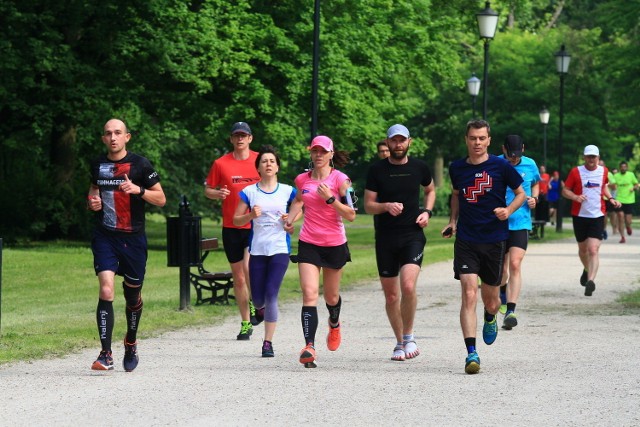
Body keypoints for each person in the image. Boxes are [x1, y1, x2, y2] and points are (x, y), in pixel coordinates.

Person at [443, 119, 525, 375]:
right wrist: (452, 221)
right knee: (468, 293)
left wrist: (508, 209)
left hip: (494, 239)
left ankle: (491, 317)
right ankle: (471, 353)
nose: (477, 143)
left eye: (481, 138)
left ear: (489, 140)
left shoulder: (501, 166)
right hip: (467, 239)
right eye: (472, 138)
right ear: (466, 139)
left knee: (490, 302)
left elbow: (521, 193)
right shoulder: (456, 167)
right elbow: (456, 195)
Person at [87, 118, 167, 371]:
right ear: (103, 138)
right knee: (107, 289)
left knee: (132, 296)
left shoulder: (140, 165)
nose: (113, 137)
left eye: (117, 133)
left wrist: (139, 190)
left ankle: (131, 341)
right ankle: (105, 354)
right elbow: (93, 191)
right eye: (108, 133)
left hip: (133, 239)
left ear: (127, 137)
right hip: (105, 236)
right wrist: (92, 201)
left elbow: (162, 199)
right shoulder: (97, 165)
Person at [364, 124, 436, 361]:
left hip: (412, 235)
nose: (398, 145)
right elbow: (368, 205)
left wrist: (427, 211)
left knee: (407, 286)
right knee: (392, 296)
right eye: (394, 141)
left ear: (409, 142)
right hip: (385, 237)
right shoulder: (376, 170)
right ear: (388, 142)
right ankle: (398, 342)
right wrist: (385, 206)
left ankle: (409, 336)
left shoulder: (419, 167)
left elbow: (430, 190)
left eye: (401, 140)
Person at [284, 135, 356, 368]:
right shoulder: (302, 179)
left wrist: (331, 199)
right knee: (309, 293)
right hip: (309, 242)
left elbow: (351, 214)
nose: (318, 155)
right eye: (315, 151)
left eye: (323, 151)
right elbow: (298, 201)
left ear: (331, 154)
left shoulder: (341, 180)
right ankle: (309, 347)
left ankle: (334, 324)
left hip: (334, 244)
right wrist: (291, 218)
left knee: (331, 297)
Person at [232, 145, 297, 357]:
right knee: (258, 298)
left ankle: (267, 343)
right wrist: (250, 215)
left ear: (277, 166)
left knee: (271, 295)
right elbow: (235, 219)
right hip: (258, 249)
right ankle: (258, 308)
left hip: (279, 248)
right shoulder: (249, 192)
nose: (268, 164)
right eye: (264, 161)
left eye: (272, 161)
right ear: (258, 168)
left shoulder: (288, 191)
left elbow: (299, 208)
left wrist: (291, 221)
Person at [205, 122, 261, 340]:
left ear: (250, 138)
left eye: (244, 135)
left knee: (248, 266)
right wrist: (216, 193)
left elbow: (270, 181)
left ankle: (257, 304)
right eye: (236, 135)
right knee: (238, 278)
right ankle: (246, 322)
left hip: (254, 225)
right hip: (231, 226)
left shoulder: (259, 159)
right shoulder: (221, 163)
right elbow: (208, 189)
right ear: (231, 139)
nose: (240, 139)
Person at [562, 145, 620, 296]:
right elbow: (565, 190)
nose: (591, 160)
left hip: (597, 215)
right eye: (589, 157)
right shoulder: (576, 172)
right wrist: (575, 197)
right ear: (584, 157)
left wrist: (611, 198)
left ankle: (591, 281)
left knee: (593, 249)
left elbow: (604, 187)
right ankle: (587, 269)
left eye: (594, 157)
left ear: (598, 158)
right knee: (583, 250)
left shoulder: (604, 171)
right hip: (580, 216)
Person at [497, 136, 540, 331]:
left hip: (520, 222)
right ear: (503, 149)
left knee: (515, 263)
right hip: (499, 223)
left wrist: (535, 198)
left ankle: (510, 311)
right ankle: (503, 294)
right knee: (501, 270)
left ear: (522, 149)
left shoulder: (530, 164)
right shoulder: (495, 163)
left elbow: (536, 183)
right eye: (510, 155)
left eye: (517, 155)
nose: (513, 159)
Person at [613, 161, 638, 243]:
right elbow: (612, 185)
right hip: (619, 199)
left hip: (629, 200)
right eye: (622, 167)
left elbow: (637, 184)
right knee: (620, 216)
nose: (623, 168)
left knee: (628, 220)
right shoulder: (616, 176)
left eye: (625, 167)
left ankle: (628, 226)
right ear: (620, 168)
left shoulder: (631, 175)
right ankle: (622, 237)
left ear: (627, 167)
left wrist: (633, 188)